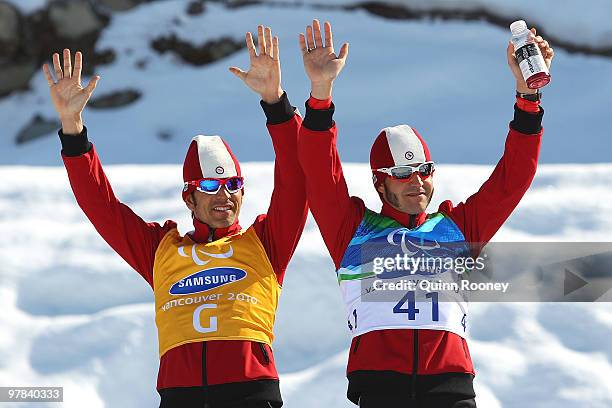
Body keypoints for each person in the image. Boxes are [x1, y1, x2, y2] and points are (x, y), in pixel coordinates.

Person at [43, 25, 307, 408]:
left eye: (233, 184)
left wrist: (275, 102)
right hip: (179, 395)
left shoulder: (266, 242)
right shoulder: (160, 249)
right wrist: (73, 128)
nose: (225, 195)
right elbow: (101, 206)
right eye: (211, 186)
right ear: (189, 196)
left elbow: (296, 180)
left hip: (250, 393)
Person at [296, 19, 554, 407]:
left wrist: (526, 96)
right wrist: (320, 93)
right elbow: (318, 171)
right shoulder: (353, 231)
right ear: (380, 184)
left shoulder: (457, 229)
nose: (416, 181)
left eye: (424, 170)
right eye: (401, 174)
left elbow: (514, 177)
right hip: (381, 392)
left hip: (450, 391)